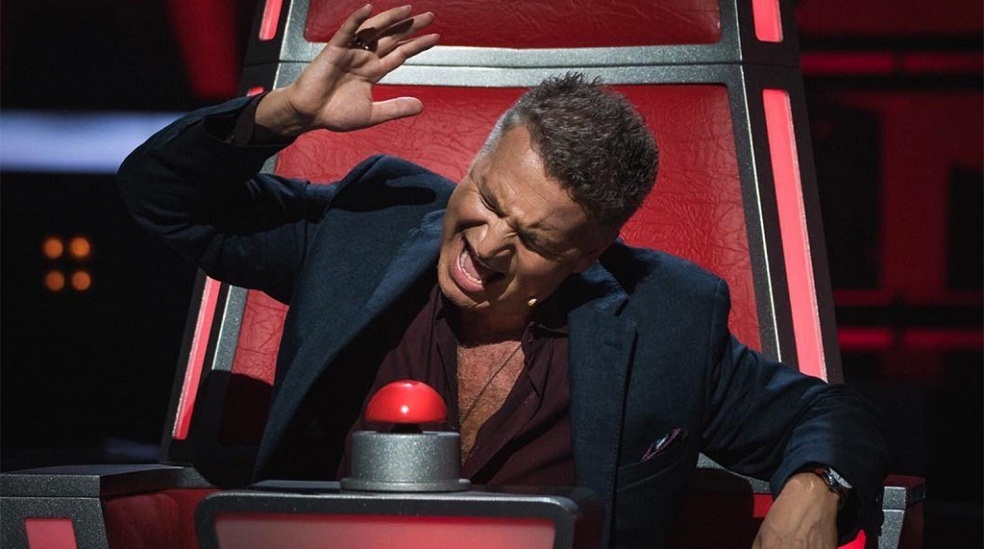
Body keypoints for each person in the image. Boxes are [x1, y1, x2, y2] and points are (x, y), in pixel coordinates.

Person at [118, 5, 888, 548]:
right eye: (486, 199)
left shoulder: (667, 317)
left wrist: (816, 486)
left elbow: (830, 414)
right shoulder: (365, 225)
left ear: (587, 253)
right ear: (478, 162)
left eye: (532, 239)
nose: (486, 245)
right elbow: (161, 197)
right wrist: (282, 115)